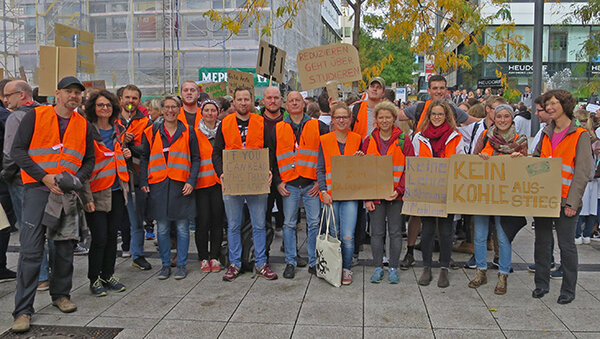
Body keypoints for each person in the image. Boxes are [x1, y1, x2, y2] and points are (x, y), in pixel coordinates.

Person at [11, 76, 95, 333]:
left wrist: (77, 180)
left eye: (77, 93)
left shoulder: (83, 124)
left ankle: (61, 295)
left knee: (64, 249)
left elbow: (89, 160)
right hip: (37, 190)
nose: (74, 96)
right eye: (68, 92)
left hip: (66, 194)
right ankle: (23, 311)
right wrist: (44, 177)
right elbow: (18, 151)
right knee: (31, 251)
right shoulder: (35, 117)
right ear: (56, 94)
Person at [531, 89, 592, 304]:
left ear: (565, 105)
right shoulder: (546, 132)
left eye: (553, 103)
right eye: (547, 104)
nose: (549, 107)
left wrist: (573, 203)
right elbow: (536, 162)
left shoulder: (580, 135)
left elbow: (583, 172)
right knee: (542, 243)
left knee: (566, 246)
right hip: (544, 199)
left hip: (566, 200)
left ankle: (568, 289)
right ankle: (541, 284)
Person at [212, 86, 278, 281]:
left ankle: (261, 263)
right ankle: (235, 264)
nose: (243, 103)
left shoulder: (261, 122)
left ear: (252, 101)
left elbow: (269, 150)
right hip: (233, 182)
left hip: (256, 182)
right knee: (233, 225)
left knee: (259, 224)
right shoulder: (225, 123)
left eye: (246, 99)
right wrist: (221, 173)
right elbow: (216, 152)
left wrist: (269, 170)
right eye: (239, 100)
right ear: (233, 102)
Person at [468, 104, 528, 295]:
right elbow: (472, 159)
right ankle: (480, 271)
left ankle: (503, 274)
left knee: (503, 237)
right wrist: (481, 157)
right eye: (499, 116)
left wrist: (521, 158)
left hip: (506, 196)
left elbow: (528, 169)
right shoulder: (486, 135)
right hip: (484, 194)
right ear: (494, 117)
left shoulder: (521, 140)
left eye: (506, 116)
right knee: (479, 235)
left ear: (512, 118)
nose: (502, 120)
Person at [140, 96, 200, 280]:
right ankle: (165, 265)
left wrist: (191, 181)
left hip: (181, 185)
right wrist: (144, 181)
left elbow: (196, 158)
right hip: (158, 184)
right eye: (167, 107)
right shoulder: (151, 131)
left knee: (182, 228)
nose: (170, 111)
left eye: (174, 107)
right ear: (162, 109)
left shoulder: (188, 132)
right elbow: (144, 157)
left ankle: (181, 264)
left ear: (179, 109)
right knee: (163, 228)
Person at [81, 90, 130, 296]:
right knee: (99, 237)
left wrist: (125, 153)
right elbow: (82, 165)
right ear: (94, 107)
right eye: (101, 105)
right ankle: (94, 278)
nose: (105, 109)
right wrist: (86, 197)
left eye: (108, 105)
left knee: (111, 236)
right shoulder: (86, 131)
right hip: (96, 191)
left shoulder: (118, 130)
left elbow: (116, 157)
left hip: (117, 189)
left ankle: (108, 274)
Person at [272, 91, 325, 279]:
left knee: (313, 223)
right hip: (289, 185)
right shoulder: (278, 128)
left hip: (311, 184)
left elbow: (327, 154)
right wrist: (278, 183)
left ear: (304, 104)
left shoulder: (318, 126)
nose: (294, 103)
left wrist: (321, 183)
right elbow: (272, 157)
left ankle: (313, 261)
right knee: (288, 223)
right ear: (286, 105)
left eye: (298, 100)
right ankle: (290, 261)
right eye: (291, 101)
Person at [412, 99, 463, 288]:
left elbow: (460, 162)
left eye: (440, 114)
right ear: (428, 116)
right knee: (426, 231)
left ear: (447, 116)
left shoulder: (455, 137)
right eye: (433, 114)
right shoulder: (419, 137)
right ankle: (427, 267)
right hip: (427, 190)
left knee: (446, 231)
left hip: (447, 189)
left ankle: (444, 268)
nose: (436, 117)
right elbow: (415, 161)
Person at [362, 101, 414, 284]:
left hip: (395, 195)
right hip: (375, 196)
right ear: (375, 119)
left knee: (395, 233)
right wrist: (367, 197)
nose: (384, 120)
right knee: (376, 233)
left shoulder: (404, 140)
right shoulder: (368, 141)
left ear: (394, 119)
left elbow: (410, 168)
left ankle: (393, 267)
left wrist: (399, 190)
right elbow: (364, 172)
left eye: (388, 117)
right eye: (381, 117)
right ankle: (378, 267)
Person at [317, 102, 363, 285]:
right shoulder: (325, 140)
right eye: (338, 117)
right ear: (333, 120)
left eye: (345, 117)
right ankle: (334, 264)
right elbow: (320, 169)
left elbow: (364, 171)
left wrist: (362, 159)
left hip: (350, 195)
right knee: (333, 234)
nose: (341, 120)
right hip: (330, 195)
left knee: (348, 235)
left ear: (350, 119)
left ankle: (347, 268)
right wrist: (323, 192)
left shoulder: (358, 139)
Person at [1, 80, 39, 283]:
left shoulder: (16, 117)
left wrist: (5, 175)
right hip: (43, 179)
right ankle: (45, 274)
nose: (5, 99)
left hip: (20, 179)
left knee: (28, 229)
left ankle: (36, 276)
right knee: (45, 227)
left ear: (22, 95)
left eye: (8, 95)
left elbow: (9, 154)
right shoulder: (45, 113)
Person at [118, 85, 152, 270]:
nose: (130, 101)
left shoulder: (145, 122)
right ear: (120, 99)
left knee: (136, 219)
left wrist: (130, 148)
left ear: (139, 101)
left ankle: (137, 254)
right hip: (112, 178)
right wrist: (121, 140)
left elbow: (147, 149)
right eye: (127, 97)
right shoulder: (111, 120)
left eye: (134, 98)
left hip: (135, 178)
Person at [194, 99, 225, 273]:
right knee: (202, 221)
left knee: (217, 220)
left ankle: (214, 255)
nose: (210, 113)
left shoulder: (224, 130)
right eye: (207, 110)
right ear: (202, 112)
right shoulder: (195, 132)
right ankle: (203, 257)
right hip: (201, 183)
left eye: (213, 110)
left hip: (219, 182)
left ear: (218, 112)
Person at [572, 109, 597, 245]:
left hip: (581, 175)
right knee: (591, 207)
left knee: (579, 206)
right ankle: (587, 234)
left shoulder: (578, 135)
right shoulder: (592, 136)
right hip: (592, 176)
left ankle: (577, 235)